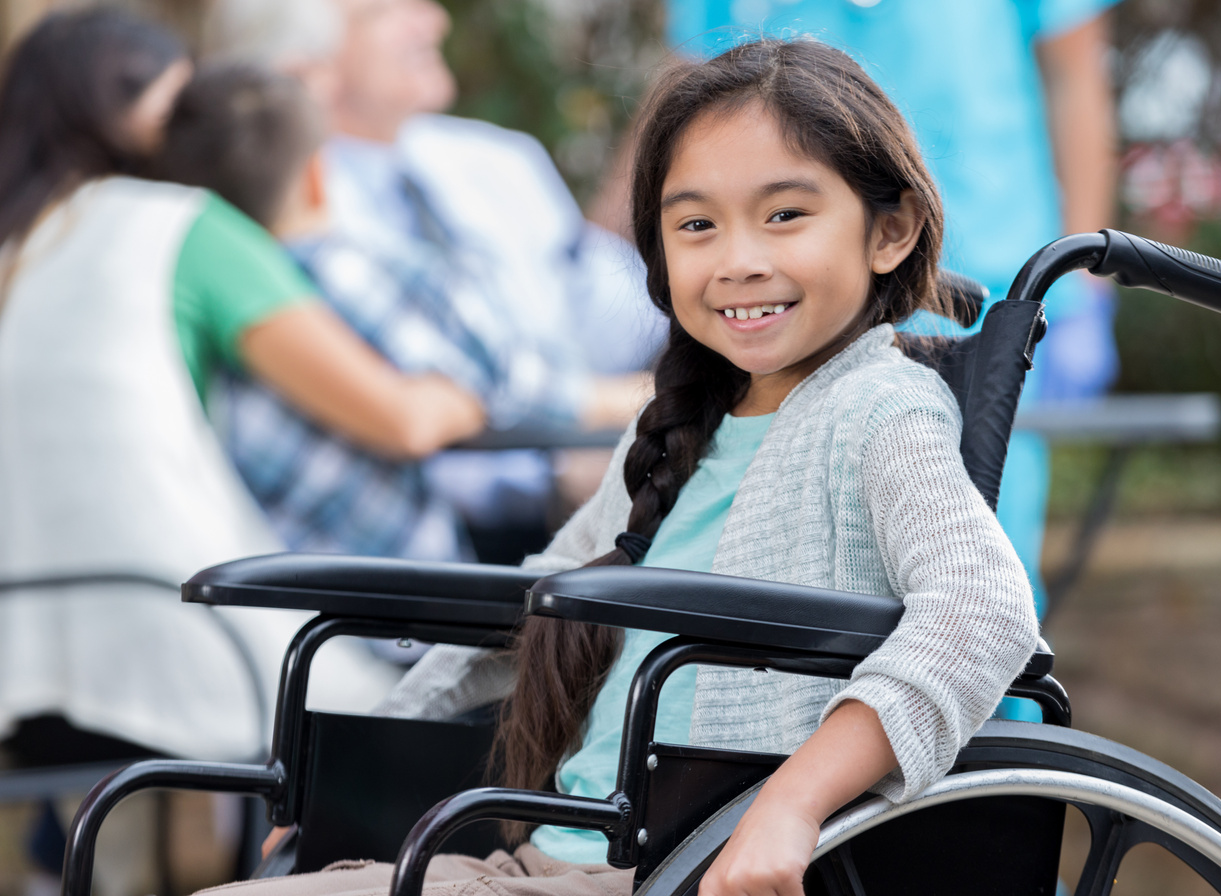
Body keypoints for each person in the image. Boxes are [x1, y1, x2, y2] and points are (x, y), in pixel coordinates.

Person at [194, 37, 1038, 896]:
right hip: (540, 854)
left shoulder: (877, 409)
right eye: (696, 224)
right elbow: (539, 600)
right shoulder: (678, 424)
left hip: (663, 868)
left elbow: (982, 610)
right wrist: (344, 778)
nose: (738, 258)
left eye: (785, 214)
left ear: (888, 231)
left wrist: (791, 803)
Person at [0, 7, 497, 769]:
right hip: (195, 653)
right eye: (182, 104)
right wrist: (469, 396)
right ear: (132, 113)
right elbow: (401, 419)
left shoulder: (20, 242)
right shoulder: (182, 226)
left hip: (28, 667)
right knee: (476, 691)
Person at [640, 0, 1122, 634]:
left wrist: (1085, 288)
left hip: (989, 295)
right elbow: (692, 97)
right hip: (797, 312)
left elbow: (1076, 72)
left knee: (977, 574)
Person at [203, 0, 667, 562]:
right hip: (426, 546)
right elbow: (414, 412)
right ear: (302, 65)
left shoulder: (499, 159)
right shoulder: (273, 200)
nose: (433, 21)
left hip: (596, 490)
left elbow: (624, 307)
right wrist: (618, 413)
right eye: (386, 10)